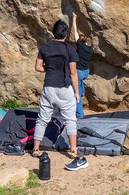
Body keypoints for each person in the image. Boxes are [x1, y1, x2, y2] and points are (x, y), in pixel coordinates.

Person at [31, 20, 88, 171]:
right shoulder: (70, 50)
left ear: (53, 32)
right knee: (70, 120)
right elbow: (73, 72)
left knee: (42, 118)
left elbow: (37, 67)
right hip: (64, 88)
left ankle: (36, 149)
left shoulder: (44, 48)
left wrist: (49, 70)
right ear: (65, 33)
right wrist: (76, 92)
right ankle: (73, 150)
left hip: (49, 87)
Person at [70, 13, 93, 119]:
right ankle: (82, 92)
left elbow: (74, 31)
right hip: (86, 72)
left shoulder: (79, 45)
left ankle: (79, 114)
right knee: (80, 84)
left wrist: (74, 18)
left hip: (78, 72)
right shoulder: (90, 49)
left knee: (76, 93)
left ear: (81, 39)